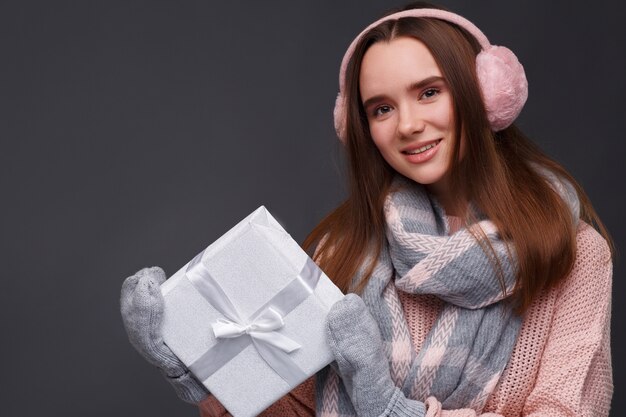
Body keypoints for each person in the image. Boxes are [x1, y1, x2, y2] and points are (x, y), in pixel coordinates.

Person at [120, 2, 614, 416]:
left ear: (485, 94)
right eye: (382, 108)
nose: (408, 124)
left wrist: (392, 410)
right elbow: (295, 410)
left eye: (429, 93)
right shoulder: (345, 247)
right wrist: (195, 371)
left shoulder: (572, 252)